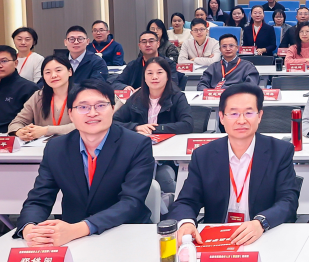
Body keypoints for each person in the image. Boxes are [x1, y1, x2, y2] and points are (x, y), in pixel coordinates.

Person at [168, 83, 299, 262]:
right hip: (217, 240)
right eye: (233, 113)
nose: (242, 120)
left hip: (262, 237)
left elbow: (288, 201)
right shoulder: (204, 155)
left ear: (260, 116)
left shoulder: (280, 151)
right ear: (221, 117)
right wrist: (186, 223)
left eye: (249, 112)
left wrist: (261, 222)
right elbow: (186, 201)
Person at [16, 79, 156, 246]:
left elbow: (131, 202)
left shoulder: (137, 145)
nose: (92, 113)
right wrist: (30, 228)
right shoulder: (56, 148)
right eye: (83, 107)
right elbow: (39, 198)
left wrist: (79, 229)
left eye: (100, 106)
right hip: (72, 239)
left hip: (125, 234)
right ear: (71, 113)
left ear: (113, 109)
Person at [113, 57, 192, 208]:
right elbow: (114, 121)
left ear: (167, 75)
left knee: (157, 175)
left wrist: (155, 129)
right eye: (149, 73)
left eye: (159, 72)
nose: (154, 77)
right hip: (139, 151)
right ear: (144, 77)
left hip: (167, 153)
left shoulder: (177, 96)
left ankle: (158, 205)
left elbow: (187, 124)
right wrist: (136, 127)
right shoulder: (137, 97)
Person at [10, 55, 76, 141]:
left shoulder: (82, 95)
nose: (53, 75)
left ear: (70, 72)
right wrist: (20, 131)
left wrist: (46, 130)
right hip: (42, 147)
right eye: (48, 72)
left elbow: (84, 125)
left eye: (58, 70)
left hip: (74, 144)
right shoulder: (38, 96)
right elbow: (16, 122)